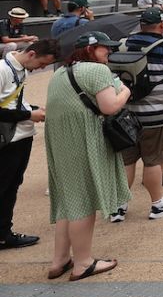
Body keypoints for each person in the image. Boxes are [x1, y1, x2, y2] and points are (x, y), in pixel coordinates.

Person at [44, 32, 132, 280]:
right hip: (85, 141)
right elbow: (110, 107)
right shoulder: (98, 72)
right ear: (91, 50)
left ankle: (59, 260)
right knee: (83, 200)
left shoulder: (59, 73)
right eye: (106, 49)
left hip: (61, 142)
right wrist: (124, 91)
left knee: (68, 200)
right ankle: (83, 262)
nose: (110, 53)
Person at [114, 8, 163, 223]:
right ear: (162, 25)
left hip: (127, 114)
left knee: (127, 161)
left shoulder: (122, 44)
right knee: (153, 160)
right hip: (160, 114)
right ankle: (157, 204)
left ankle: (119, 206)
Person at [0, 39, 60, 249]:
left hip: (20, 137)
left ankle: (4, 233)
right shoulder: (3, 70)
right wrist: (28, 114)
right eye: (43, 64)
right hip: (8, 140)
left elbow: (13, 102)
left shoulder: (20, 70)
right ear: (32, 54)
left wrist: (34, 109)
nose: (42, 69)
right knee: (4, 187)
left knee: (11, 187)